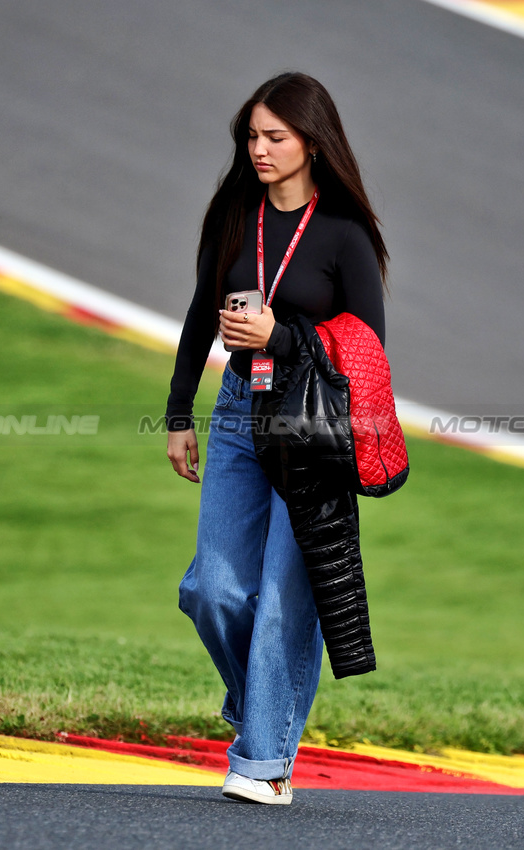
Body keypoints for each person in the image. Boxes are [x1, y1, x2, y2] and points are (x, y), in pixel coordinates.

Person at [165, 72, 388, 805]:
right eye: (250, 137)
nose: (257, 149)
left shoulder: (344, 235)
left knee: (286, 600)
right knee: (212, 591)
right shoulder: (234, 212)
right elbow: (202, 312)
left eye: (274, 137)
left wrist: (282, 336)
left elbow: (365, 349)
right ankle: (258, 707)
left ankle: (263, 763)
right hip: (235, 408)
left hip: (312, 424)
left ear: (312, 144)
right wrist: (177, 415)